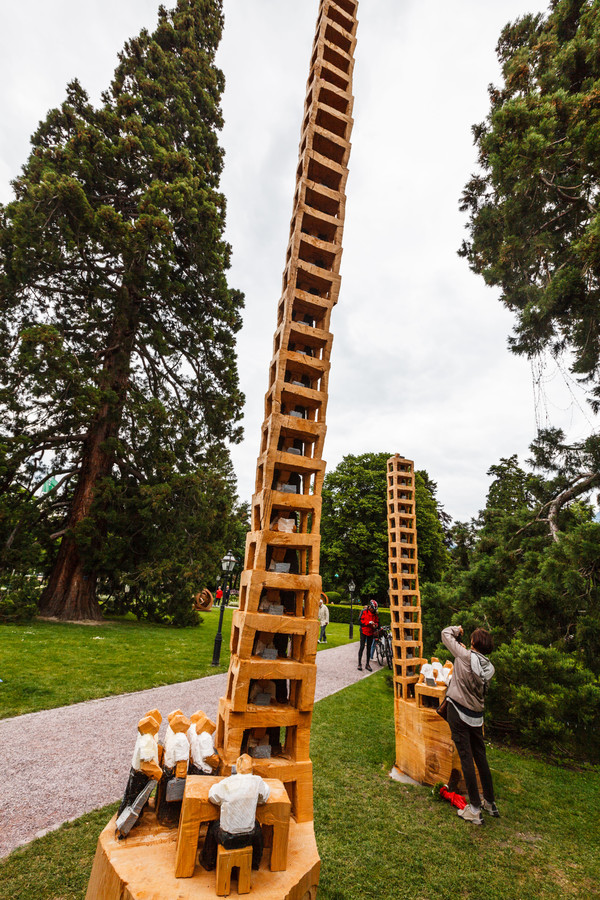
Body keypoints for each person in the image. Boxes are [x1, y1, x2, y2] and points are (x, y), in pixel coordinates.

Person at [441, 624, 500, 825]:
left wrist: (457, 630)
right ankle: (489, 802)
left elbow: (445, 634)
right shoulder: (487, 667)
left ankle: (474, 809)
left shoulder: (465, 656)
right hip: (476, 716)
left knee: (466, 758)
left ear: (474, 644)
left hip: (458, 711)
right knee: (480, 758)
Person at [200, 754, 270, 870]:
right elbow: (265, 795)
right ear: (251, 768)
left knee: (213, 826)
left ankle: (208, 861)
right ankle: (255, 862)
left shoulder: (228, 782)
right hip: (249, 836)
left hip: (228, 838)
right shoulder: (257, 781)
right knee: (257, 827)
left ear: (237, 767)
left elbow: (213, 796)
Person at [357, 600, 379, 672]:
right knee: (362, 647)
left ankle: (367, 664)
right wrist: (368, 623)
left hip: (371, 632)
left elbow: (378, 622)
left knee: (369, 648)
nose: (373, 610)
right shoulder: (363, 611)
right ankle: (359, 663)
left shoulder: (375, 614)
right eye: (372, 609)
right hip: (363, 631)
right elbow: (359, 621)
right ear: (370, 607)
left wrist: (375, 625)